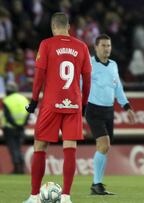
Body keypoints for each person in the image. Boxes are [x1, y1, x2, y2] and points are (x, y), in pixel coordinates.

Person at [23, 12, 92, 203]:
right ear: (68, 26)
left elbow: (39, 76)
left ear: (53, 27)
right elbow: (87, 79)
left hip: (51, 104)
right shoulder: (82, 46)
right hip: (73, 104)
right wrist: (84, 104)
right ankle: (66, 197)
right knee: (70, 147)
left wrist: (35, 99)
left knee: (40, 146)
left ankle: (34, 196)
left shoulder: (46, 44)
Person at [86, 34, 136, 195]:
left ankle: (97, 184)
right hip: (93, 110)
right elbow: (79, 85)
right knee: (104, 144)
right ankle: (96, 184)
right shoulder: (89, 64)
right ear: (96, 47)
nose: (107, 48)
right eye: (103, 45)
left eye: (109, 45)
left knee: (104, 148)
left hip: (108, 111)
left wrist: (126, 106)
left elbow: (118, 87)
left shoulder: (113, 65)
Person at [2, 82, 29, 174]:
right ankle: (21, 167)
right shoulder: (23, 99)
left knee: (13, 148)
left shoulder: (7, 100)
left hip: (10, 129)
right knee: (19, 147)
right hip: (21, 128)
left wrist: (15, 124)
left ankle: (17, 168)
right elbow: (28, 113)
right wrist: (22, 125)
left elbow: (7, 115)